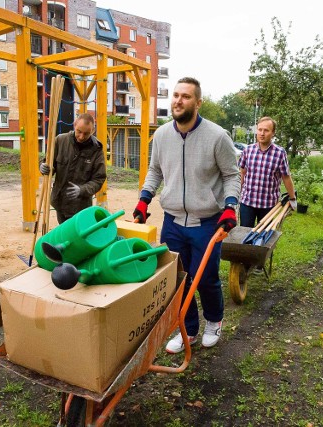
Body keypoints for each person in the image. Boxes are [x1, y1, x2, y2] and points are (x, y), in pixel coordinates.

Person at [132, 77, 240, 354]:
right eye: (176, 95)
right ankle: (188, 329)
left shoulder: (217, 136)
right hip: (173, 222)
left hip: (206, 223)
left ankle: (214, 322)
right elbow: (155, 170)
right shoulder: (163, 135)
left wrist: (230, 206)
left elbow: (231, 175)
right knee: (178, 279)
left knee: (205, 278)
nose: (178, 100)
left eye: (186, 97)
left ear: (198, 102)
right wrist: (144, 199)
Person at [39, 113, 107, 224]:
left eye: (86, 134)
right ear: (74, 125)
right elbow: (49, 163)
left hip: (81, 205)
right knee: (64, 232)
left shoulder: (96, 150)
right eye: (79, 131)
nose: (81, 137)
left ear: (93, 131)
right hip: (60, 201)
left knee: (78, 235)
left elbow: (99, 179)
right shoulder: (60, 141)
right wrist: (43, 167)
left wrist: (82, 189)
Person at [238, 116, 297, 227]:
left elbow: (286, 177)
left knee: (263, 238)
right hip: (247, 202)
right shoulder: (248, 150)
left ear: (273, 133)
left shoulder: (279, 153)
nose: (262, 133)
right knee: (244, 236)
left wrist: (292, 198)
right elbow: (242, 173)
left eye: (266, 130)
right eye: (260, 130)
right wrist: (237, 194)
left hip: (268, 205)